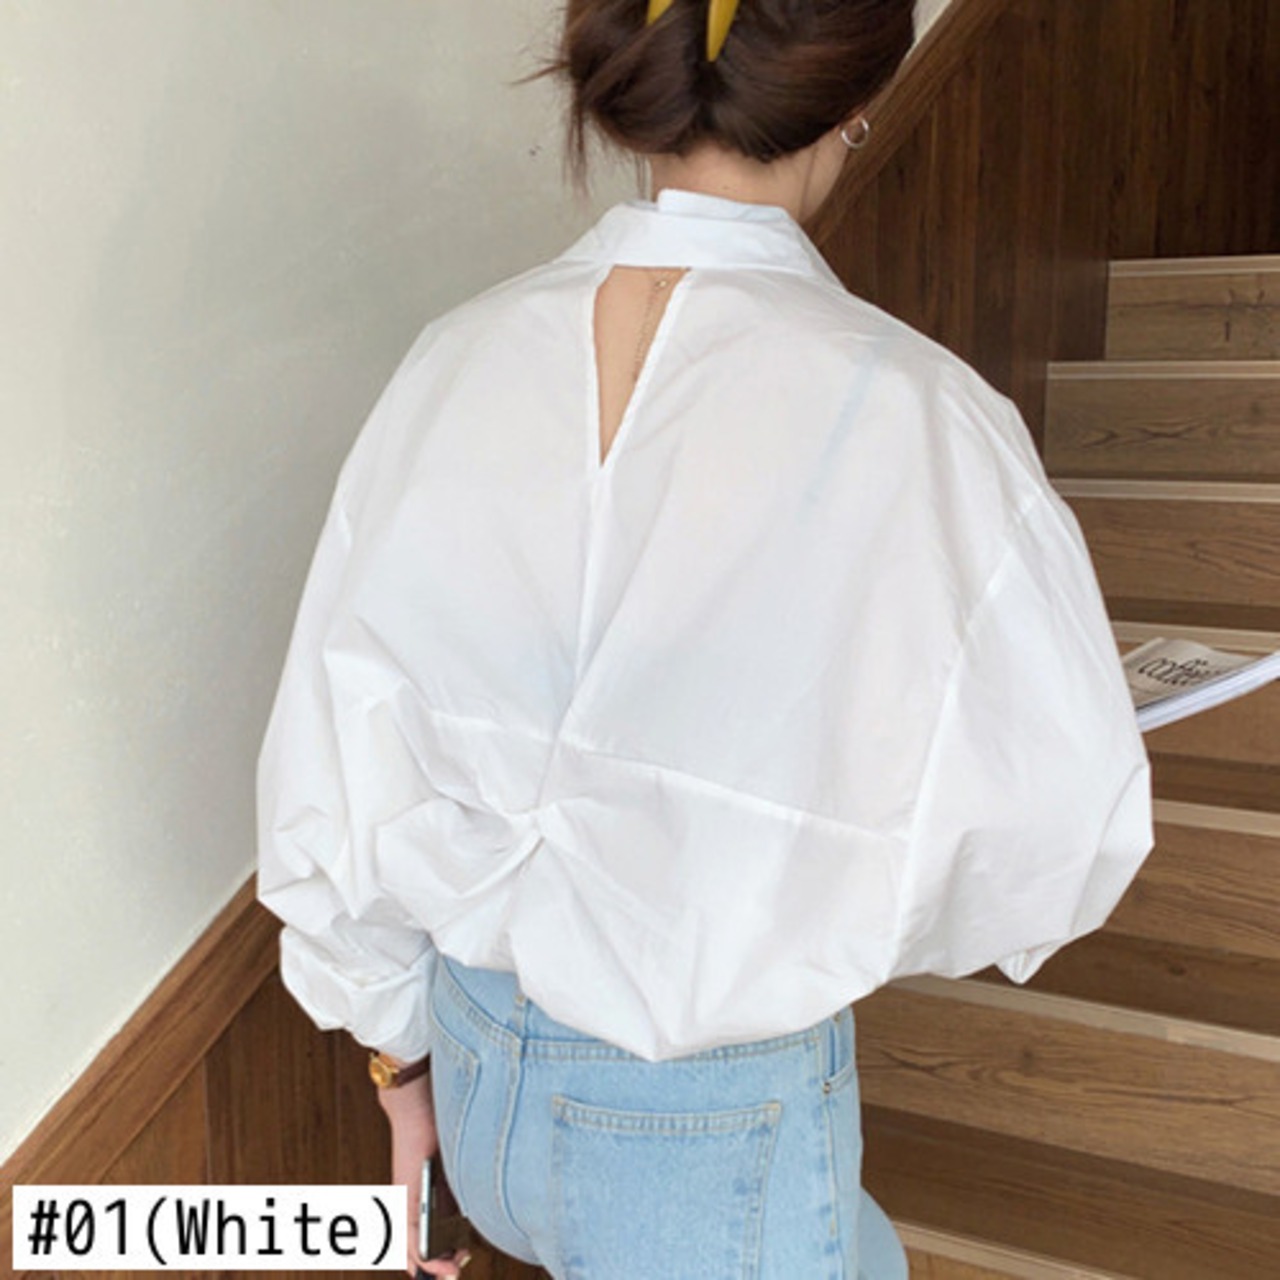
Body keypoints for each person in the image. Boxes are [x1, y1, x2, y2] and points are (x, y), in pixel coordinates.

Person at [256, 1, 1154, 1276]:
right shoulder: (919, 415)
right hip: (707, 1127)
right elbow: (1058, 833)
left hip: (470, 1073)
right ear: (851, 104)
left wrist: (399, 1068)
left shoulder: (451, 362)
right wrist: (824, 859)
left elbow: (336, 748)